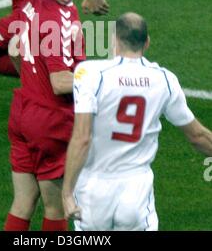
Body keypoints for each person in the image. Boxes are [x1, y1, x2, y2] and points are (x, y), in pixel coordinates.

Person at [62, 12, 212, 231]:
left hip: (92, 189)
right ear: (147, 42)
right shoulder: (164, 80)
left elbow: (82, 137)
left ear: (114, 40)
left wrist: (67, 192)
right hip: (135, 190)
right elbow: (198, 136)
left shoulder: (90, 73)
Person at [4, 0, 85, 231]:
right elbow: (61, 82)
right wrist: (101, 78)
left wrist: (30, 83)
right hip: (51, 122)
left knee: (23, 203)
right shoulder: (61, 19)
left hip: (22, 111)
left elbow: (14, 48)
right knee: (56, 207)